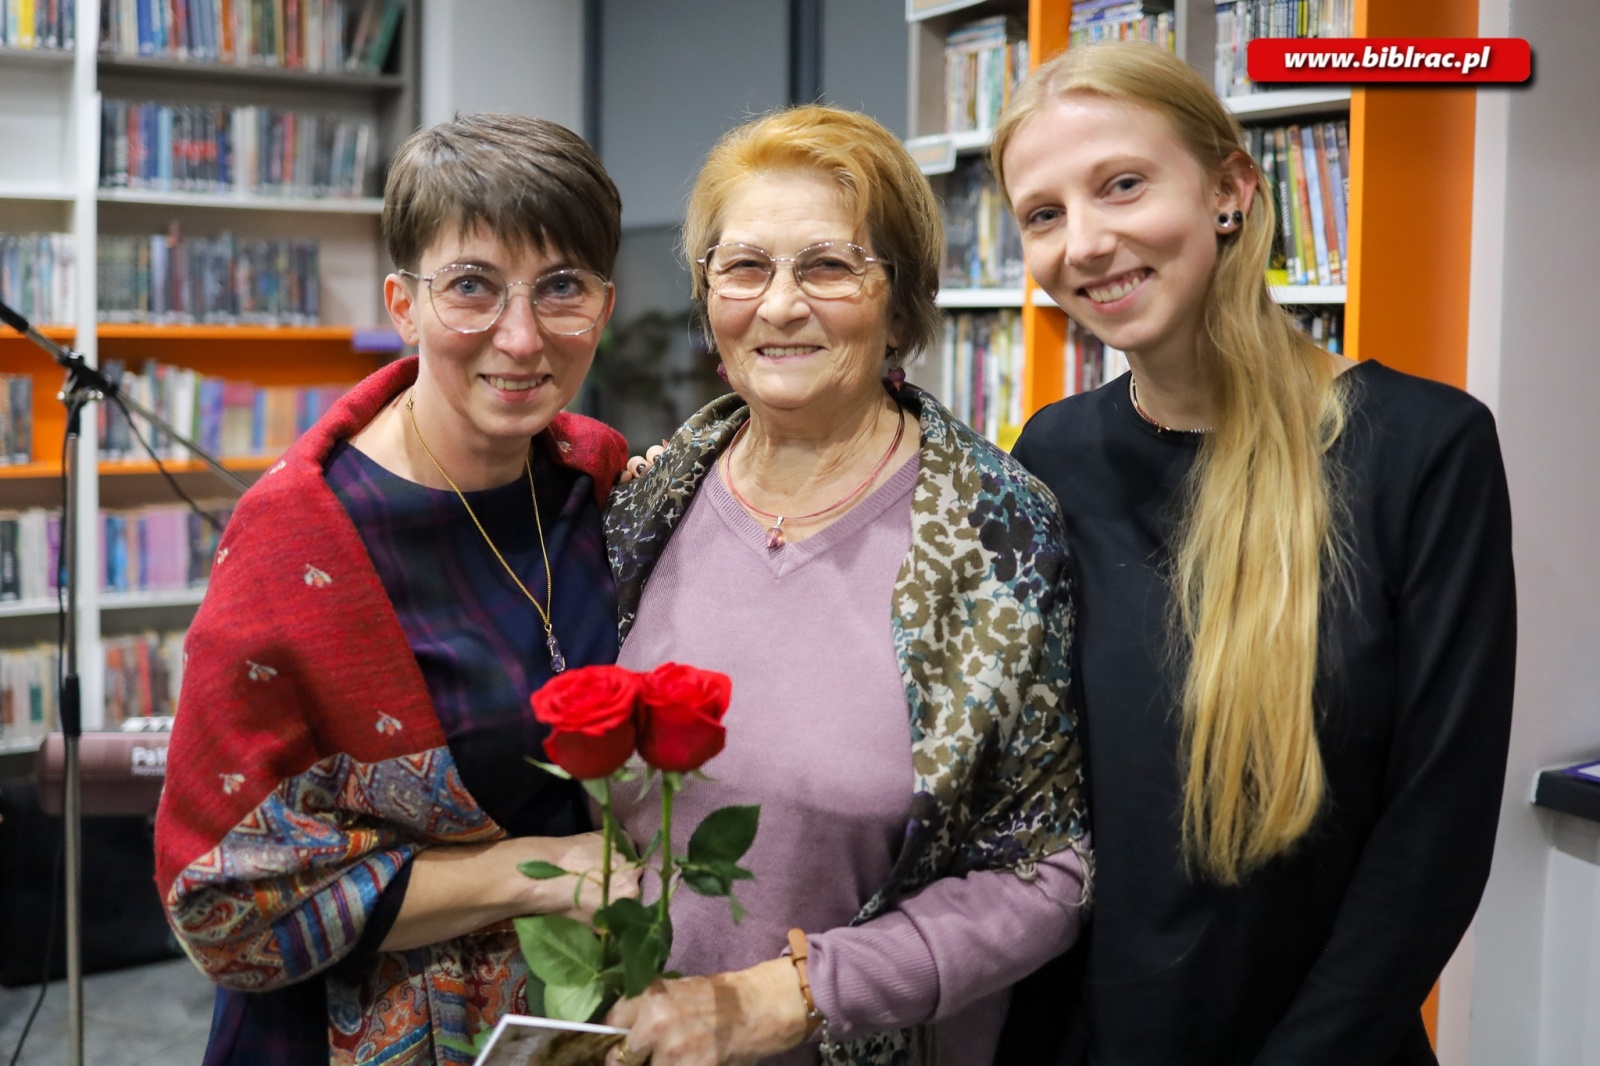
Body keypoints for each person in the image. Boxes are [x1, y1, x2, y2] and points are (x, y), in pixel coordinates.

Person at [989, 42, 1516, 1065]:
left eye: (1122, 185)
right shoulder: (1050, 450)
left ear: (1230, 188)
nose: (1085, 243)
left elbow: (1435, 831)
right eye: (1043, 215)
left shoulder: (1423, 447)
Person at [599, 104, 1092, 1066]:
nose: (780, 306)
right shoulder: (644, 504)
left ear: (900, 304)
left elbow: (1046, 869)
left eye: (828, 266)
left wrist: (795, 995)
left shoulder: (996, 530)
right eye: (744, 268)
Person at [153, 113, 641, 1066]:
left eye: (562, 288)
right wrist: (537, 874)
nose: (521, 335)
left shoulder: (600, 481)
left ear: (605, 304)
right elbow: (219, 905)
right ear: (402, 304)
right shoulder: (297, 540)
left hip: (569, 1023)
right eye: (471, 286)